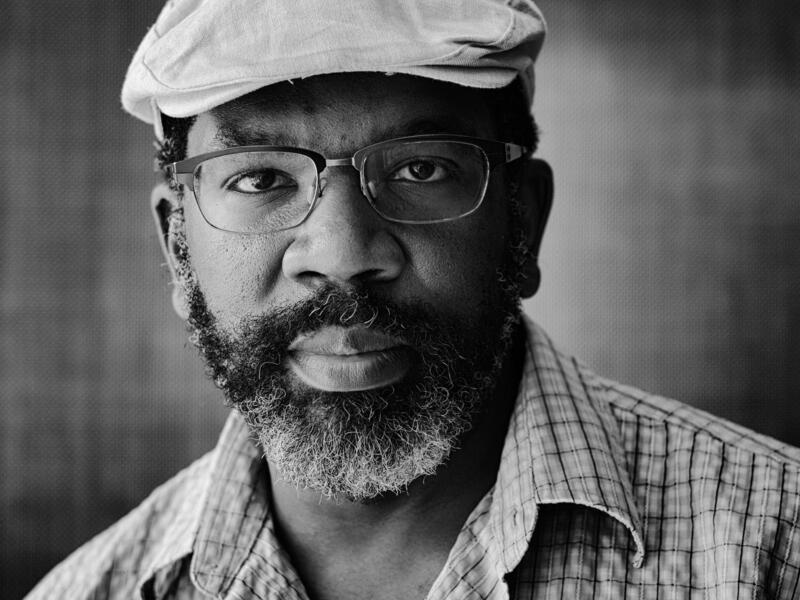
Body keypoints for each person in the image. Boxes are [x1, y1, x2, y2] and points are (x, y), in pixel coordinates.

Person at [26, 1, 800, 598]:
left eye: (421, 169)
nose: (343, 255)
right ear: (177, 246)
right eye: (259, 177)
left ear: (522, 221)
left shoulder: (775, 544)